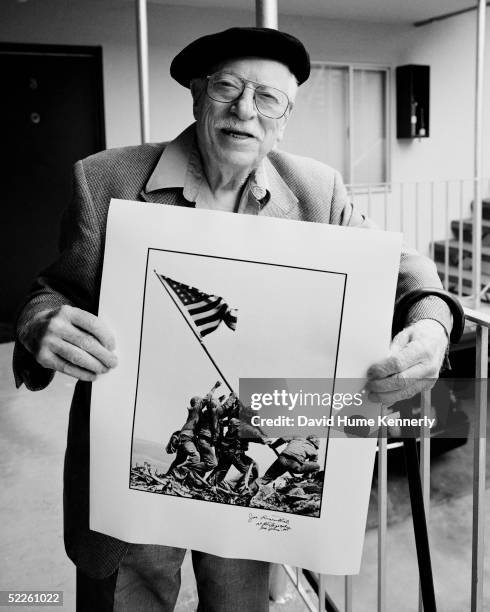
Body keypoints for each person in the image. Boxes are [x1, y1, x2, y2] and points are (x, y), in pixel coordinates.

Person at [13, 26, 451, 612]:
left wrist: (432, 323)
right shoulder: (105, 180)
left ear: (285, 116)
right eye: (228, 88)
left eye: (268, 97)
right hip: (130, 473)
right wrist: (41, 325)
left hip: (245, 491)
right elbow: (52, 292)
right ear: (197, 96)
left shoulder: (317, 192)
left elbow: (404, 269)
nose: (245, 109)